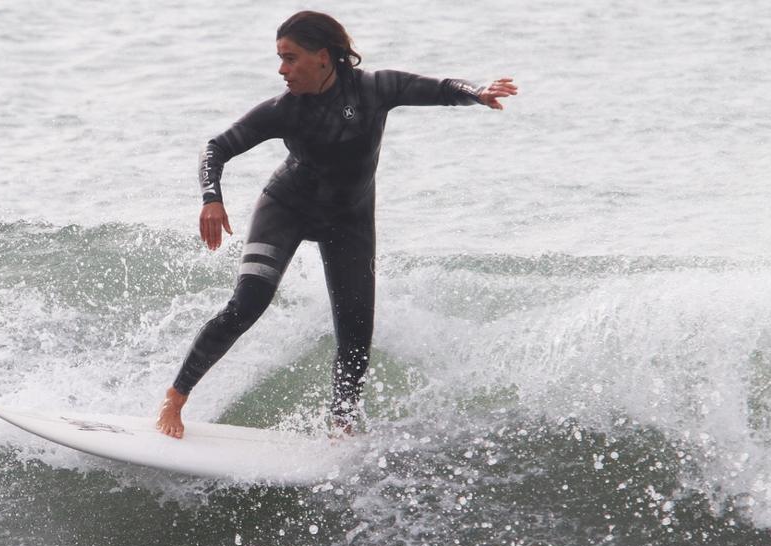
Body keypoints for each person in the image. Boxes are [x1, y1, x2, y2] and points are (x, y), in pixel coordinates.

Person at [155, 11, 518, 438]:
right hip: (286, 209)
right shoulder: (283, 111)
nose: (282, 69)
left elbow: (439, 89)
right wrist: (211, 199)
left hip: (349, 220)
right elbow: (216, 148)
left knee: (355, 330)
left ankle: (342, 426)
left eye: (290, 58)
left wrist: (477, 93)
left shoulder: (376, 89)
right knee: (246, 305)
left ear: (323, 57)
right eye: (280, 59)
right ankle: (175, 399)